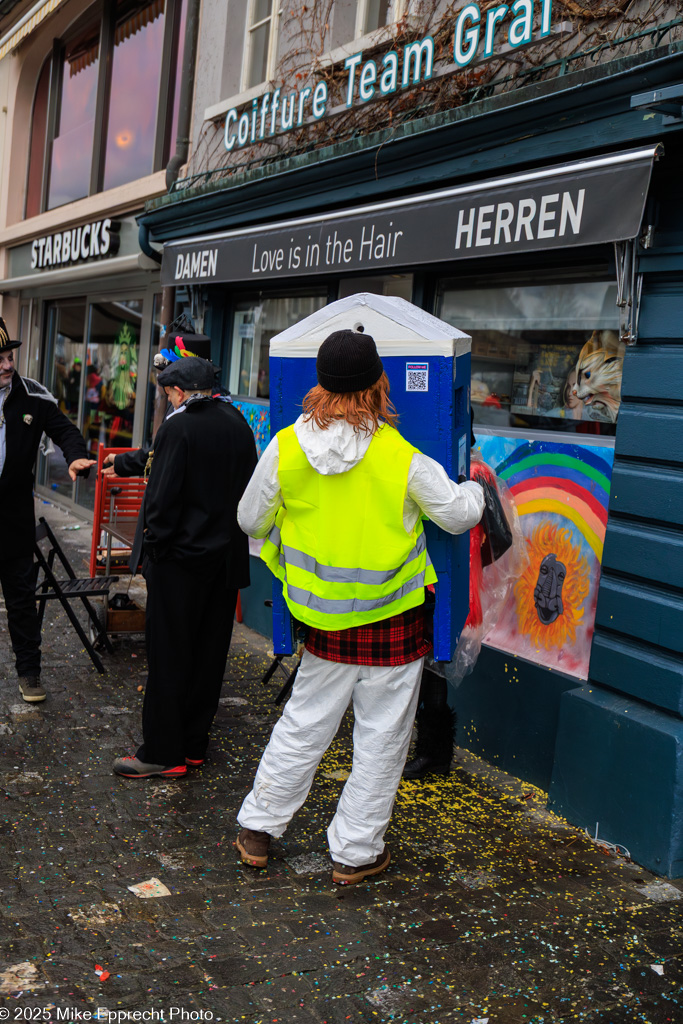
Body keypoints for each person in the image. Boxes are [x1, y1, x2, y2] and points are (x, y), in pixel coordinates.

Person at [235, 330, 485, 884]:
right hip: (392, 622)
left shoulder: (285, 447)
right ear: (378, 385)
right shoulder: (400, 456)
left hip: (321, 622)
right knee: (382, 739)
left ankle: (258, 828)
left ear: (320, 385)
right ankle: (354, 852)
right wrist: (476, 489)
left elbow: (250, 521)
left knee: (303, 724)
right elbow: (458, 516)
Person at [112, 356, 257, 779]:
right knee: (208, 655)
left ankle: (162, 751)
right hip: (225, 560)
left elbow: (160, 501)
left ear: (177, 392)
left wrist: (151, 555)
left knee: (170, 655)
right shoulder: (238, 423)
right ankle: (194, 744)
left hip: (180, 564)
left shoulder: (176, 427)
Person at [0, 317, 95, 703]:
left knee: (21, 600)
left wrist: (75, 457)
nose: (7, 364)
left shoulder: (34, 397)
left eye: (8, 356)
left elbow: (66, 431)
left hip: (13, 520)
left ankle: (30, 674)